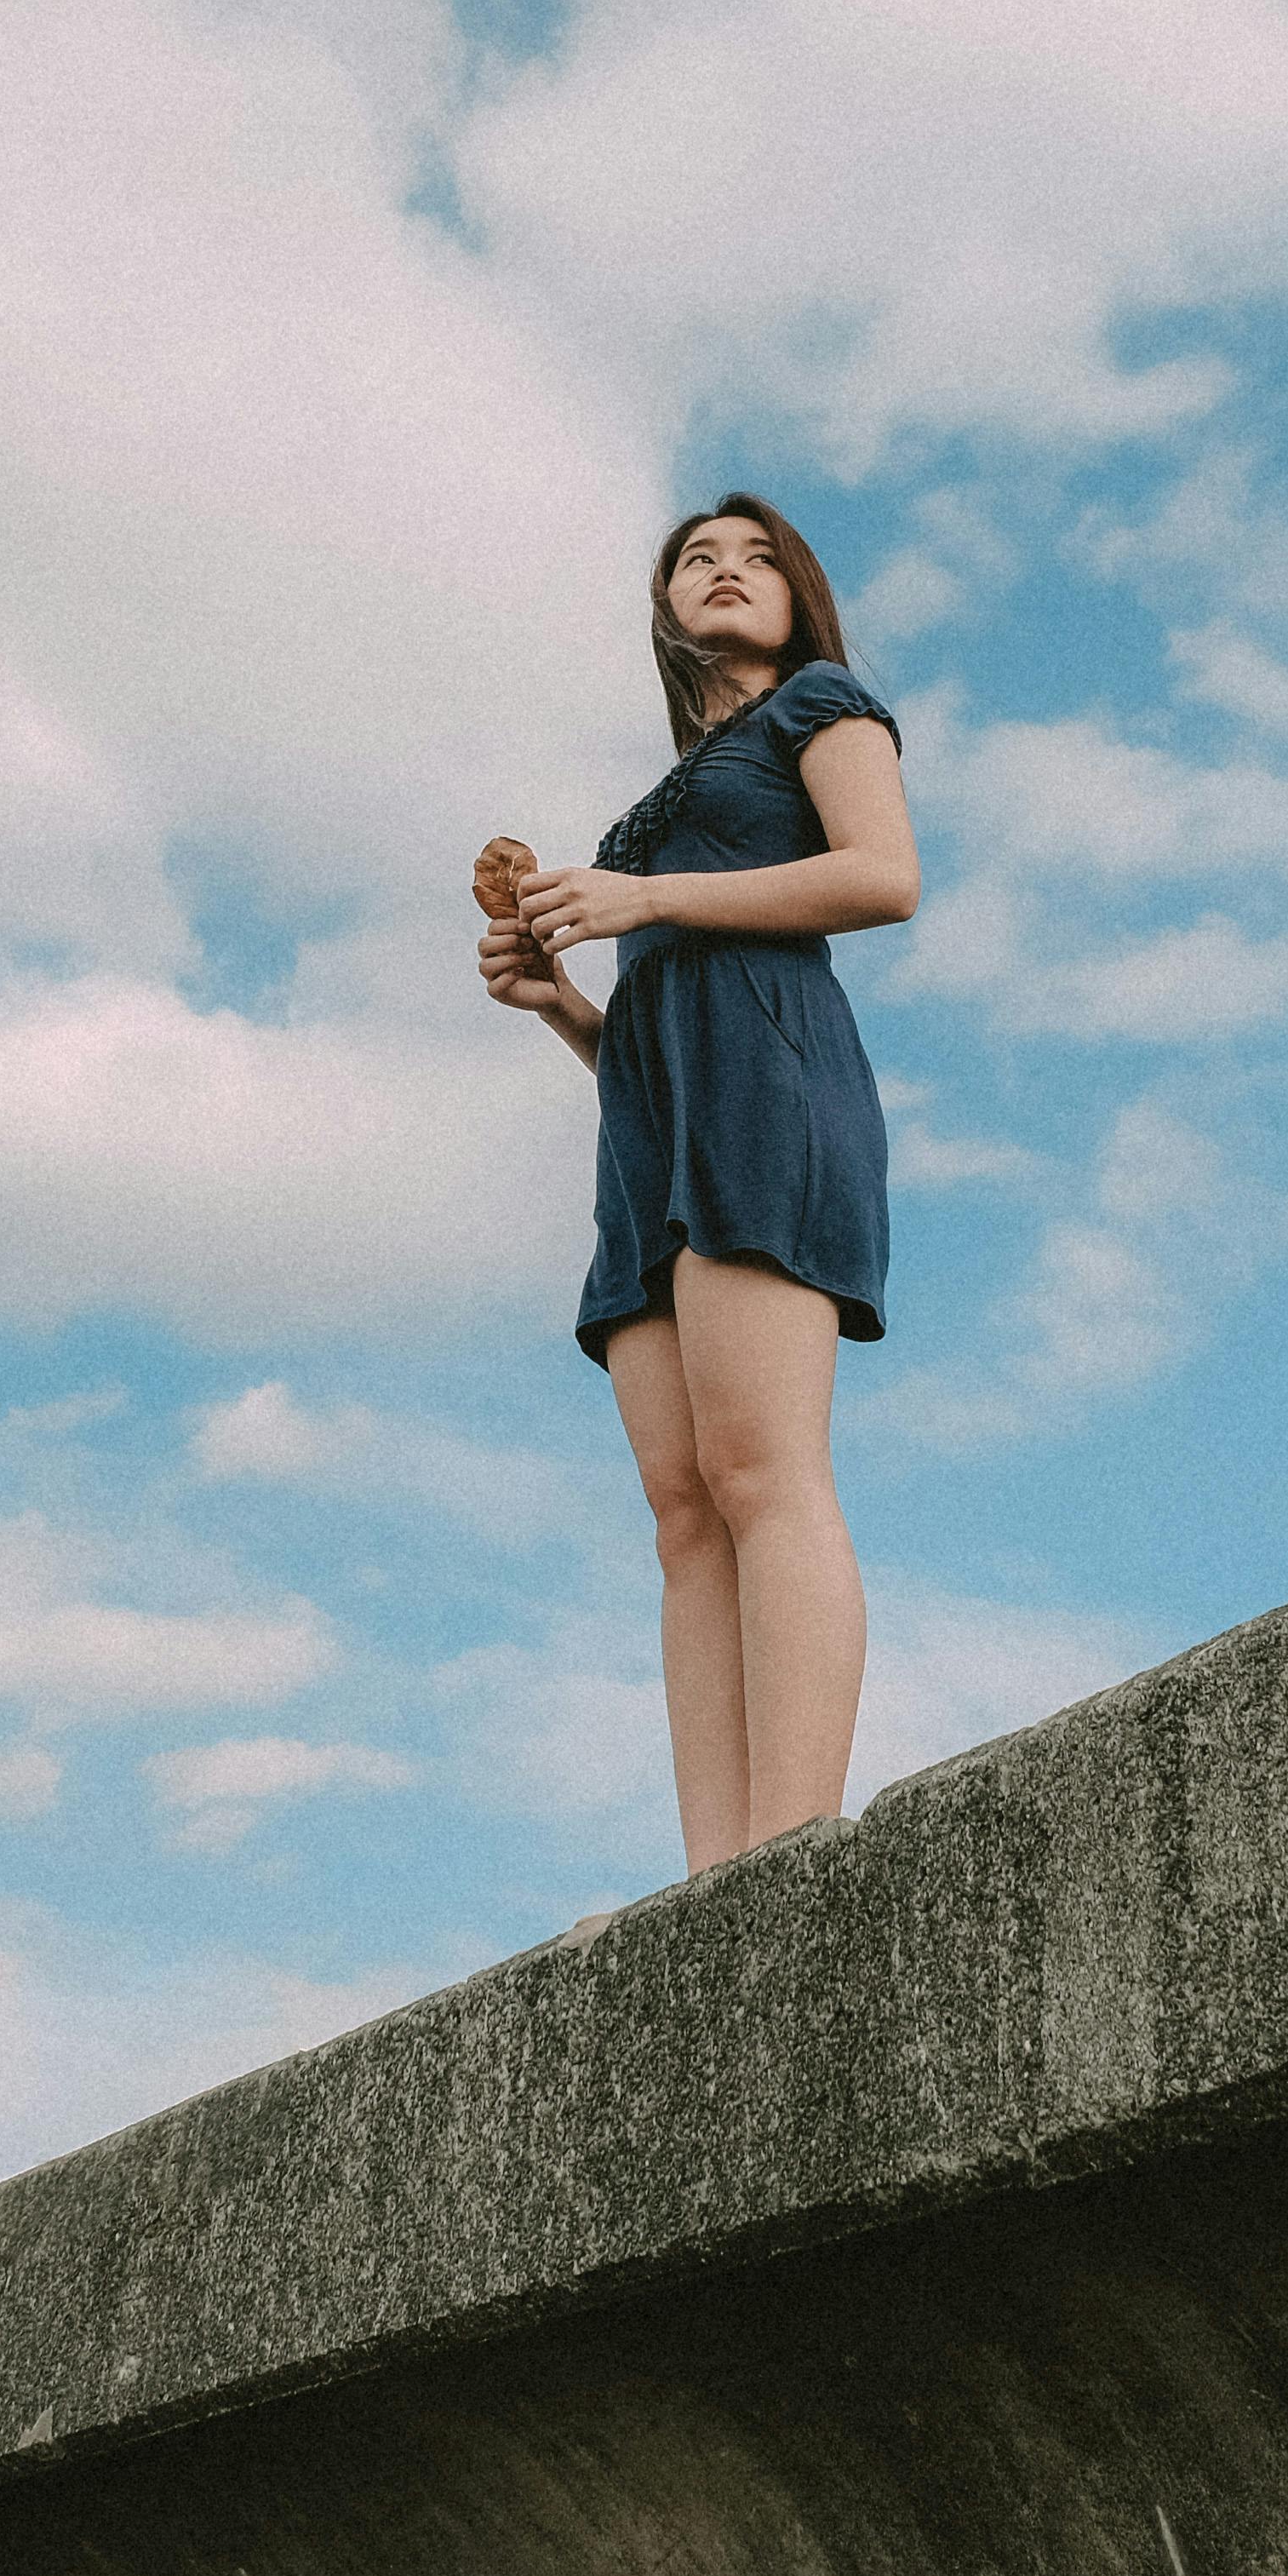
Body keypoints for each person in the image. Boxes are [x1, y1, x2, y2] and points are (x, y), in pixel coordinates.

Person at [480, 498, 918, 1873]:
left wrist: (639, 900)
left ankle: (789, 1848)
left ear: (798, 597)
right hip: (652, 1137)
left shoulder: (821, 706)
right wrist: (562, 1002)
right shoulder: (667, 793)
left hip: (771, 1092)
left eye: (756, 557)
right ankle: (715, 1878)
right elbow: (646, 1037)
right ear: (667, 607)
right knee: (682, 1507)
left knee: (760, 1466)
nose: (724, 570)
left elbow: (884, 877)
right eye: (694, 558)